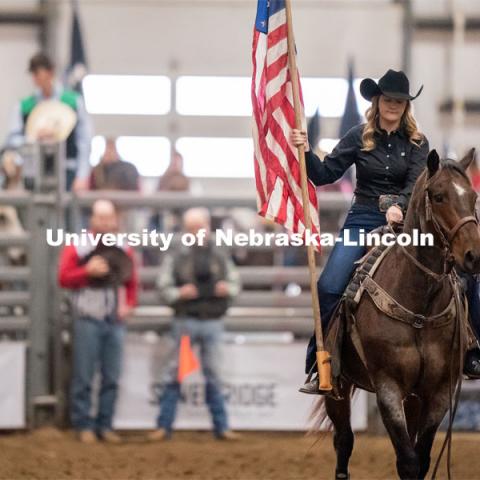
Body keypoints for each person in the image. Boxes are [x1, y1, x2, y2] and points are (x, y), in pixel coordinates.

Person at [148, 207, 241, 441]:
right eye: (191, 228)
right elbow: (163, 286)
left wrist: (226, 289)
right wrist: (179, 293)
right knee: (176, 374)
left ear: (207, 227)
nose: (196, 232)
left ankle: (221, 427)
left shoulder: (218, 253)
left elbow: (234, 283)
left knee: (214, 375)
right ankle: (164, 426)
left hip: (209, 320)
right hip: (187, 320)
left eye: (199, 227)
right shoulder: (177, 254)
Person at [58, 200, 138, 443]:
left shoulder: (124, 247)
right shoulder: (78, 246)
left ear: (115, 220)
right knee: (84, 375)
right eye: (100, 218)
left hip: (114, 319)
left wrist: (128, 304)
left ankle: (105, 424)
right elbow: (63, 278)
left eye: (108, 218)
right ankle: (83, 425)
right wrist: (86, 273)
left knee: (111, 376)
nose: (104, 222)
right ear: (92, 220)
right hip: (87, 318)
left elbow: (131, 281)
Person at [6, 52, 92, 192]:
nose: (35, 79)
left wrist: (82, 176)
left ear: (50, 72)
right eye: (33, 75)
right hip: (34, 174)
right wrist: (32, 138)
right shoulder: (24, 106)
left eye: (38, 74)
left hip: (67, 173)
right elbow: (12, 140)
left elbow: (84, 142)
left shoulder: (73, 102)